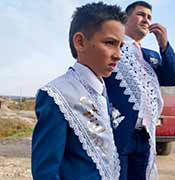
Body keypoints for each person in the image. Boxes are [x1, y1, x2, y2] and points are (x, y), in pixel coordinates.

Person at [31, 2, 126, 180]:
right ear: (80, 42)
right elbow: (45, 170)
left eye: (120, 45)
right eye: (110, 43)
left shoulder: (102, 90)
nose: (118, 54)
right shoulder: (58, 94)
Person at [104, 1, 175, 180]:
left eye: (149, 17)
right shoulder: (113, 47)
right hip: (119, 133)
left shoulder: (151, 56)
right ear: (125, 19)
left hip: (145, 136)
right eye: (141, 14)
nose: (146, 20)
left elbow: (172, 78)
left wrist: (164, 46)